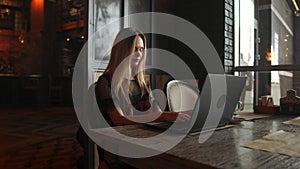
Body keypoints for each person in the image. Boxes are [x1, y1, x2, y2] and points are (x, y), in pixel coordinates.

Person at [95, 27, 191, 169]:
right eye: (135, 49)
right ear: (122, 51)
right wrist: (166, 116)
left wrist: (181, 115)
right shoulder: (106, 82)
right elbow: (118, 119)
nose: (139, 54)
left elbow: (156, 112)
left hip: (142, 141)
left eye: (141, 49)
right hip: (120, 150)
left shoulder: (141, 82)